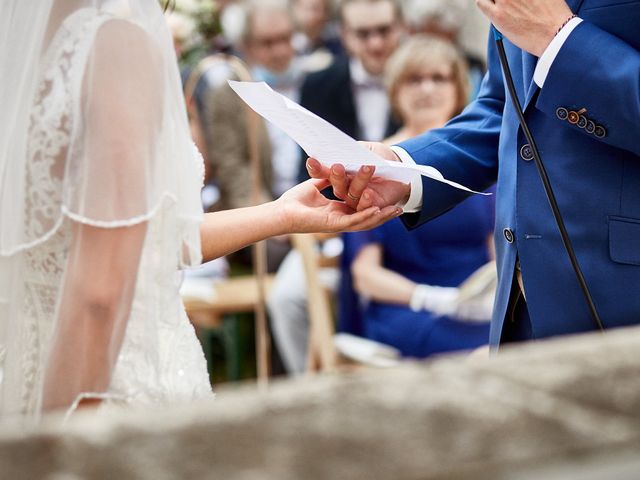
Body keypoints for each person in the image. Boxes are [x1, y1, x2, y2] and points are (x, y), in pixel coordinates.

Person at [0, 0, 400, 423]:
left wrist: (282, 214)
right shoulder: (111, 46)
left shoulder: (18, 51)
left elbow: (139, 242)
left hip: (25, 358)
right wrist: (52, 440)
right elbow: (100, 294)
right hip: (102, 379)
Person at [308, 0, 640, 348]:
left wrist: (560, 39)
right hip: (518, 309)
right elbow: (504, 110)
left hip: (621, 296)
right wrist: (403, 167)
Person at [268, 0, 404, 375]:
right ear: (345, 36)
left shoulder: (421, 76)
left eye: (384, 31)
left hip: (413, 219)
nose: (376, 44)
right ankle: (313, 389)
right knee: (287, 297)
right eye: (364, 34)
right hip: (340, 220)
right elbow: (308, 169)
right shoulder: (319, 84)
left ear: (401, 29)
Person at [351, 35, 494, 358]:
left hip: (477, 308)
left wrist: (495, 299)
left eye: (438, 78)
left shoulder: (483, 165)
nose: (427, 89)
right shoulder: (371, 167)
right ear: (395, 90)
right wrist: (428, 297)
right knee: (481, 354)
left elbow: (497, 255)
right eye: (414, 80)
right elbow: (365, 276)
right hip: (408, 310)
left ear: (459, 88)